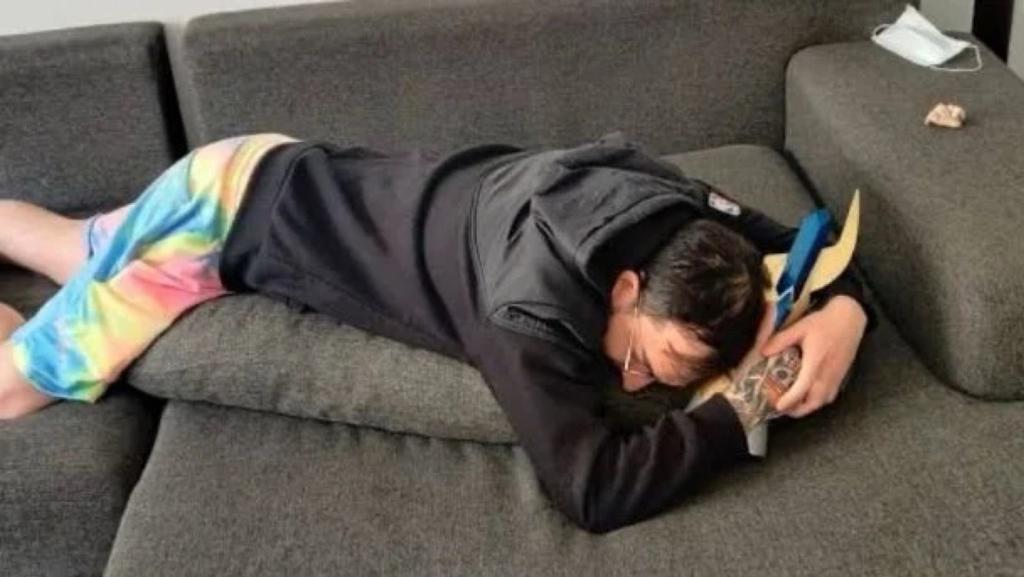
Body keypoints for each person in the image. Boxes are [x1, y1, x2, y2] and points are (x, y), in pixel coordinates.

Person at [0, 131, 874, 532]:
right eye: (648, 358)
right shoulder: (525, 312)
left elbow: (798, 237)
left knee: (76, 248)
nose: (641, 385)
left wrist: (845, 309)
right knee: (13, 389)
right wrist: (742, 407)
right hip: (219, 220)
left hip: (256, 163)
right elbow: (594, 492)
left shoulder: (666, 201)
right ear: (624, 287)